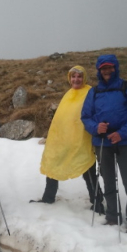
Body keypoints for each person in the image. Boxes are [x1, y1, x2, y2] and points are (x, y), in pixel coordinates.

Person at [81, 54, 127, 232]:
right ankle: (112, 216)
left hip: (125, 141)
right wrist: (96, 127)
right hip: (102, 142)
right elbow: (85, 117)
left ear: (115, 68)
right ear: (99, 70)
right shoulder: (94, 92)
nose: (107, 71)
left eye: (110, 67)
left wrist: (121, 133)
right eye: (103, 68)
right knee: (108, 180)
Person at [35, 65, 104, 212]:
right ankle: (48, 197)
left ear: (84, 78)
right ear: (69, 78)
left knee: (86, 166)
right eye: (73, 76)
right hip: (62, 138)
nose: (76, 79)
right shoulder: (68, 94)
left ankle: (97, 201)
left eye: (79, 76)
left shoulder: (90, 92)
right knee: (54, 163)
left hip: (82, 137)